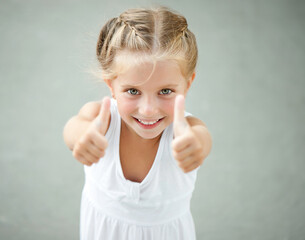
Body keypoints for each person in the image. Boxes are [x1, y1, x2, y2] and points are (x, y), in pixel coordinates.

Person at [63, 5, 212, 240]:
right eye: (133, 91)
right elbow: (75, 127)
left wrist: (196, 146)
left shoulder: (187, 130)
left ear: (188, 84)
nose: (149, 110)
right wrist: (82, 136)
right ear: (111, 85)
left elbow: (201, 140)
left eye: (165, 91)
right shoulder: (100, 120)